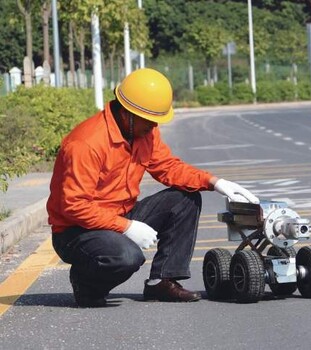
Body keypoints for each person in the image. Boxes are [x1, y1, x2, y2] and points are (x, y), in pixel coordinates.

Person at [47, 68, 259, 308]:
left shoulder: (143, 131)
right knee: (126, 257)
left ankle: (161, 281)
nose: (155, 125)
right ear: (128, 114)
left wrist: (214, 182)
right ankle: (86, 283)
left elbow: (167, 167)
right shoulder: (86, 143)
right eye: (150, 120)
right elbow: (74, 206)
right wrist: (126, 227)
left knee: (185, 199)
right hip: (77, 231)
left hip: (118, 216)